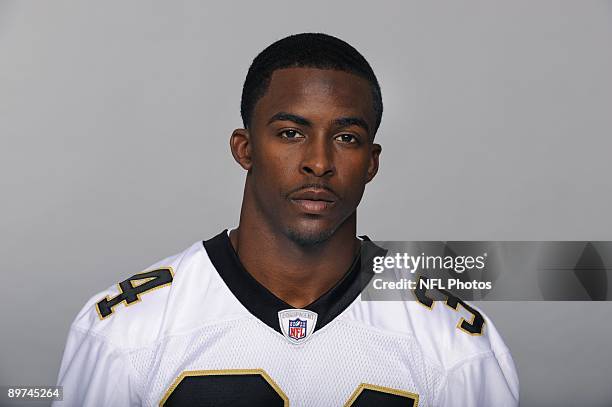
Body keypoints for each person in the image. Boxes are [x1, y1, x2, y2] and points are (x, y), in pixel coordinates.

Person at [54, 33, 519, 406]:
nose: (319, 162)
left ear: (372, 163)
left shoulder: (455, 344)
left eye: (347, 137)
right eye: (291, 133)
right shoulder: (125, 330)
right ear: (245, 148)